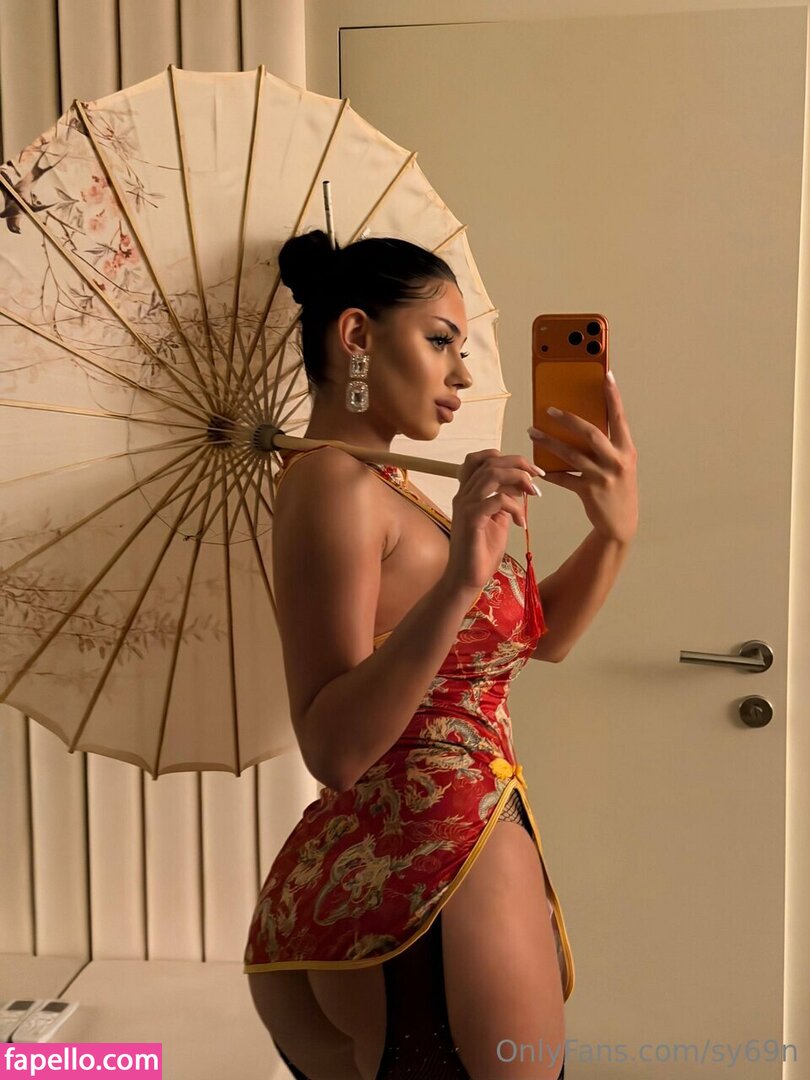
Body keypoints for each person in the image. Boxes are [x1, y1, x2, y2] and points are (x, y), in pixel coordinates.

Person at [243, 229, 573, 1079]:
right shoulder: (336, 482)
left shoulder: (387, 486)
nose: (461, 374)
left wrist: (614, 528)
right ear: (356, 335)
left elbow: (538, 642)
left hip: (370, 872)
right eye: (439, 340)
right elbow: (333, 748)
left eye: (462, 349)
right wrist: (461, 580)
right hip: (437, 863)